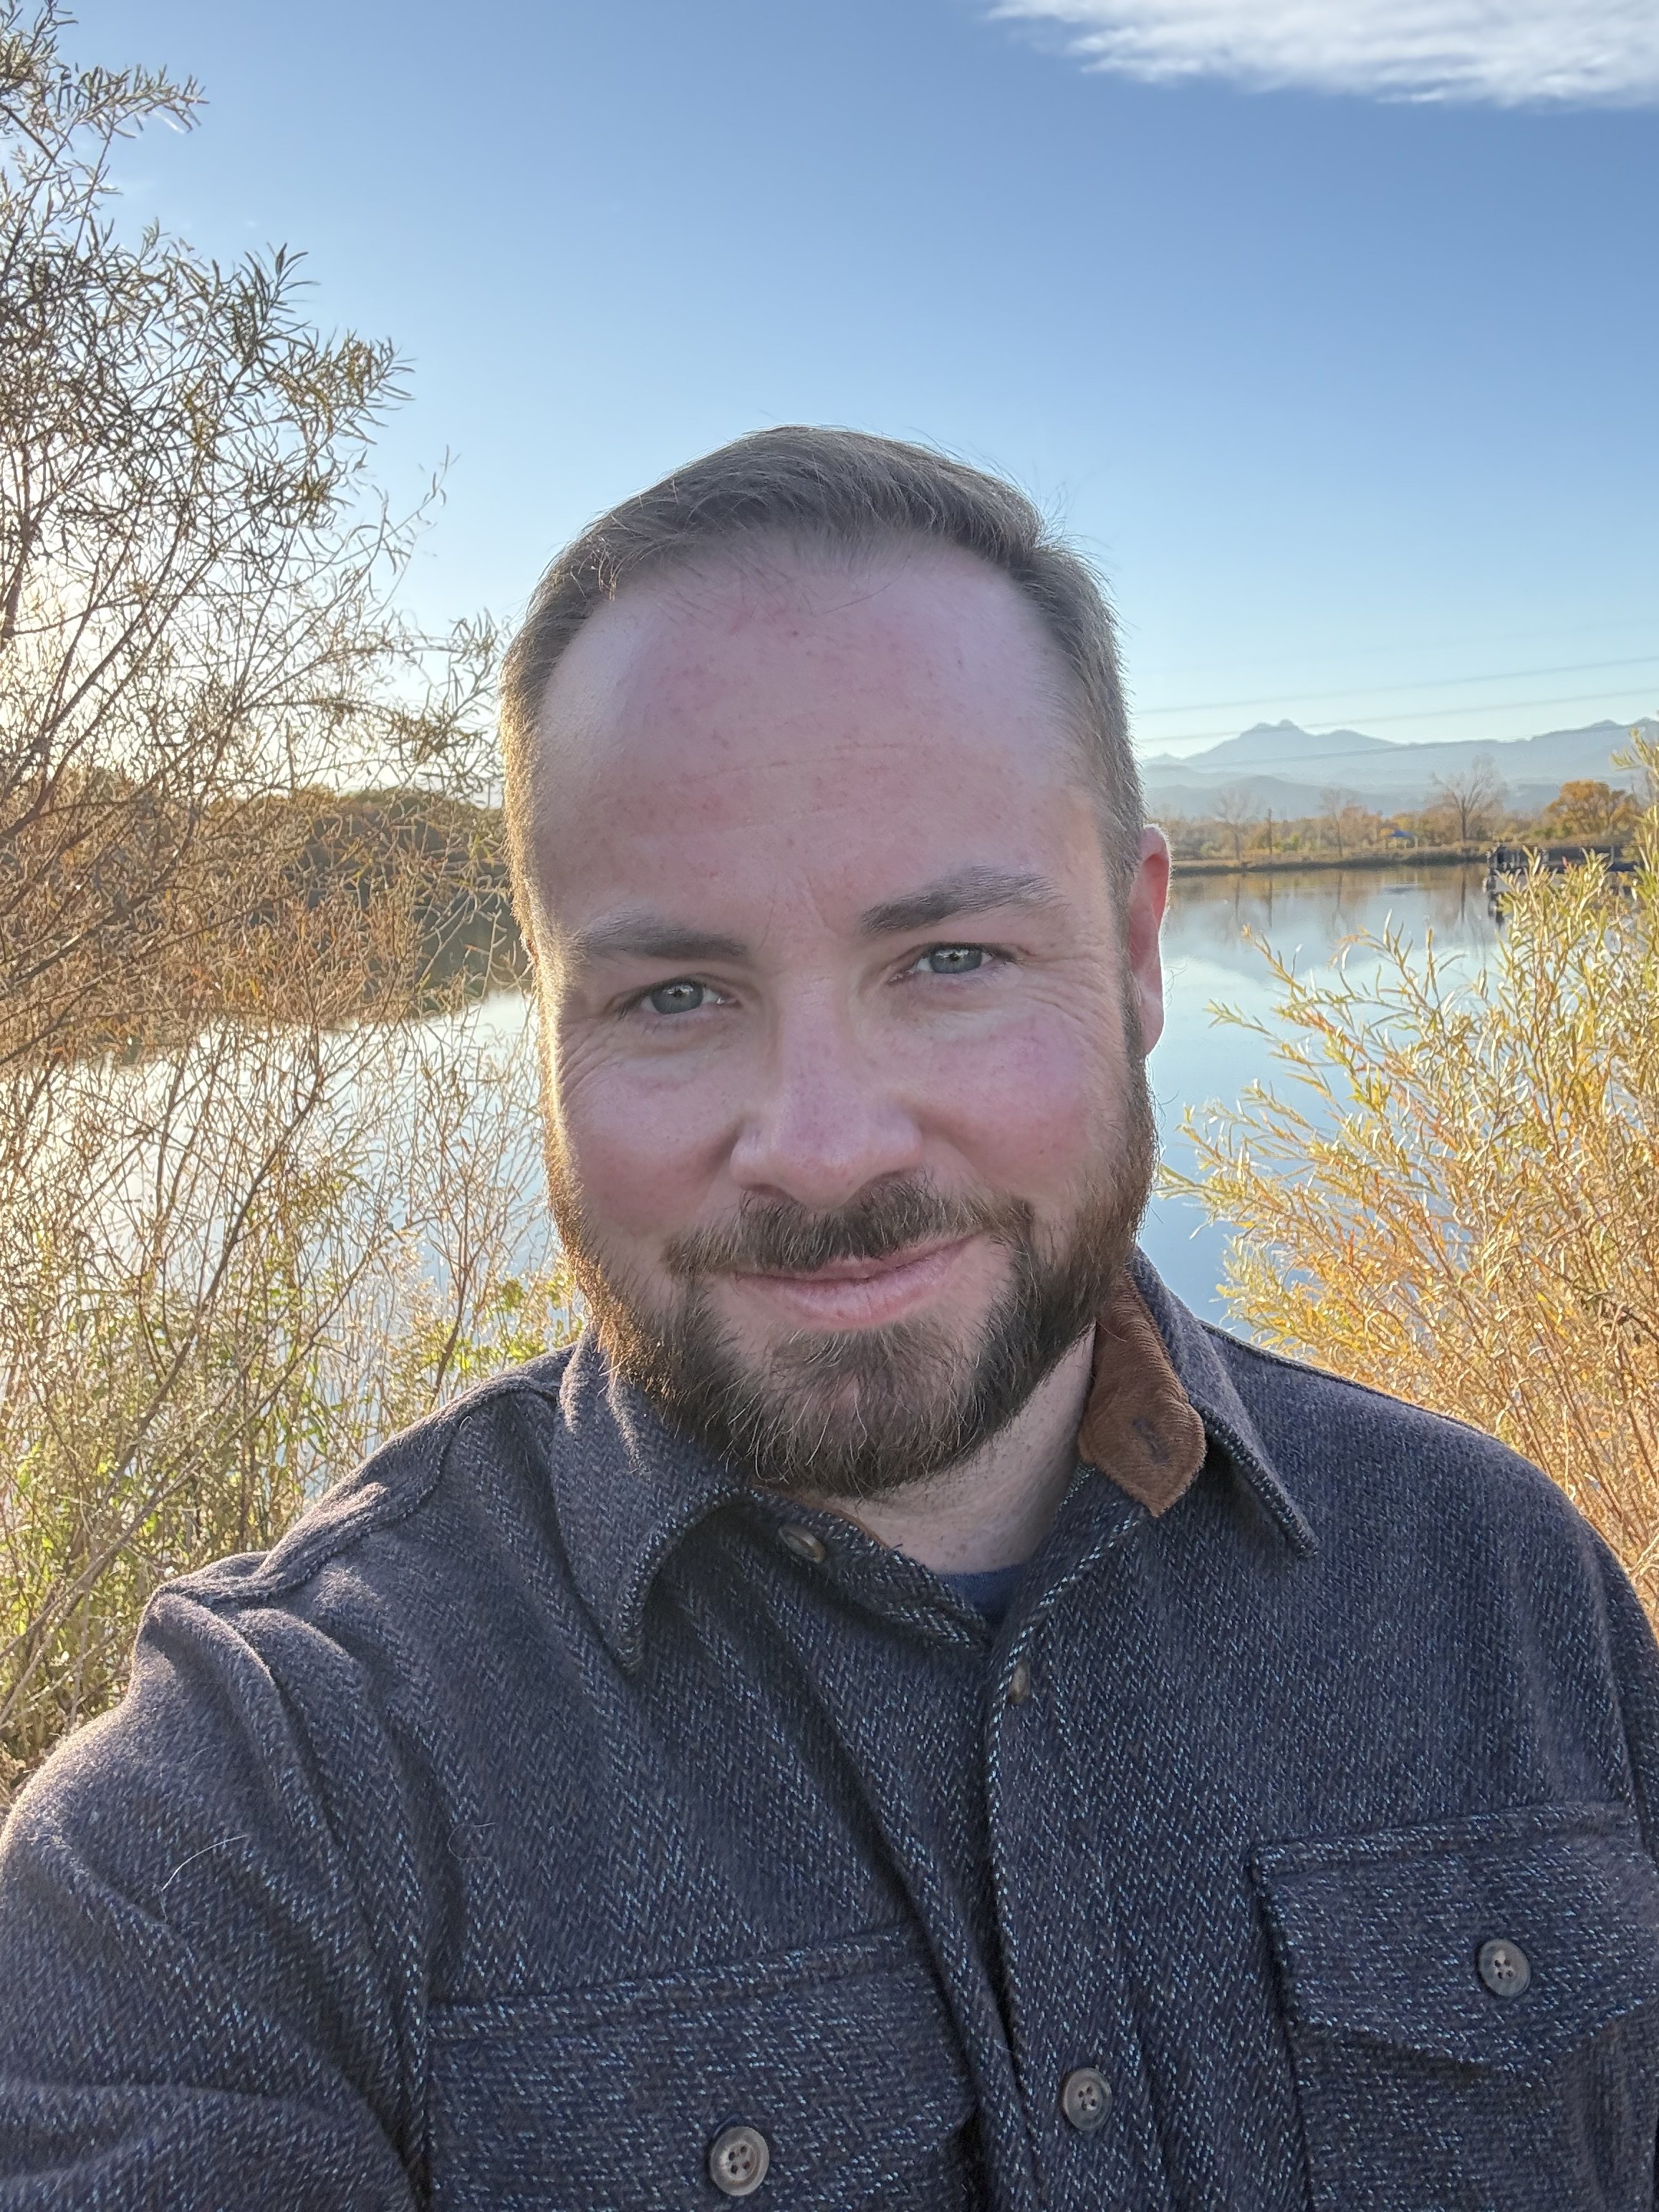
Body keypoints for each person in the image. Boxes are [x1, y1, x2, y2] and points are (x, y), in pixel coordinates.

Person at [2, 428, 1657, 2212]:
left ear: (1139, 949)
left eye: (949, 960)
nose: (821, 1142)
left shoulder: (1504, 1591)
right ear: (543, 1019)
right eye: (676, 991)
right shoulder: (247, 1837)